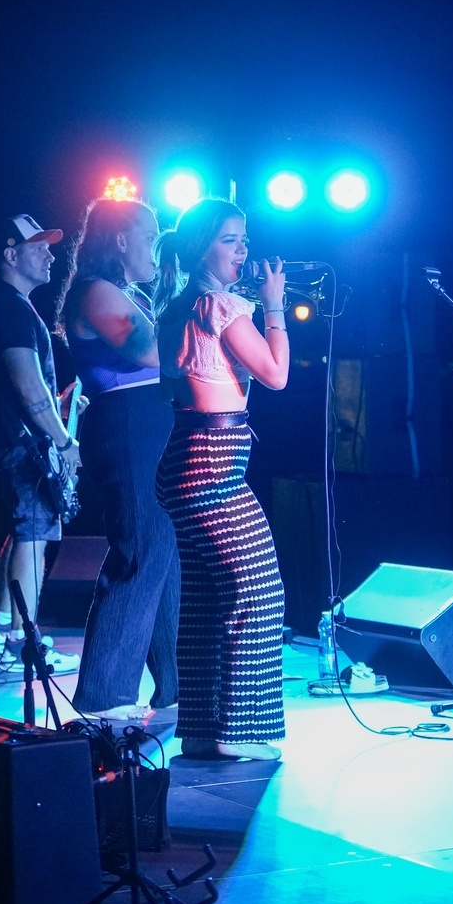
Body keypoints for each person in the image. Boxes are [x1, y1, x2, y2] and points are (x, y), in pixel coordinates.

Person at [153, 198, 291, 761]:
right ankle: (237, 731)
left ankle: (203, 729)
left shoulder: (179, 304)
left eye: (244, 239)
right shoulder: (218, 304)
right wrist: (275, 307)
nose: (243, 250)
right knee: (258, 592)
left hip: (191, 457)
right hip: (211, 461)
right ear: (201, 246)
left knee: (209, 600)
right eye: (230, 239)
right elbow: (276, 375)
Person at [55, 197, 180, 721]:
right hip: (129, 427)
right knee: (140, 552)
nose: (156, 247)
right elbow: (151, 352)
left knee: (164, 557)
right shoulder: (95, 291)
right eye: (150, 237)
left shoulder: (126, 292)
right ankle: (104, 696)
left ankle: (175, 686)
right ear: (122, 240)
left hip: (149, 424)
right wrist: (204, 307)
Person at [0, 214, 82, 674]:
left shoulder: (7, 305)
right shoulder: (10, 309)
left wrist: (60, 406)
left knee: (23, 532)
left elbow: (29, 391)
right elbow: (29, 389)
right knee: (34, 535)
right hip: (20, 446)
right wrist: (64, 440)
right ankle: (22, 645)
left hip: (9, 441)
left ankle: (2, 628)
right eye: (39, 247)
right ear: (11, 255)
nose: (51, 254)